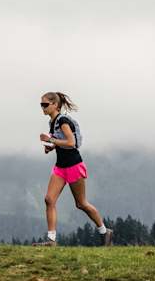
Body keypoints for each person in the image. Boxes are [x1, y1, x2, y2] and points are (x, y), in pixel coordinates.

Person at [33, 92, 112, 246]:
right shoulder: (53, 122)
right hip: (60, 167)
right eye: (41, 105)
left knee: (81, 203)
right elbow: (59, 143)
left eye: (45, 105)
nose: (42, 108)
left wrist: (50, 140)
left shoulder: (62, 120)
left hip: (74, 166)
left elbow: (71, 143)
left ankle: (104, 231)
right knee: (49, 200)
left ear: (55, 105)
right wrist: (50, 147)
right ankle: (51, 240)